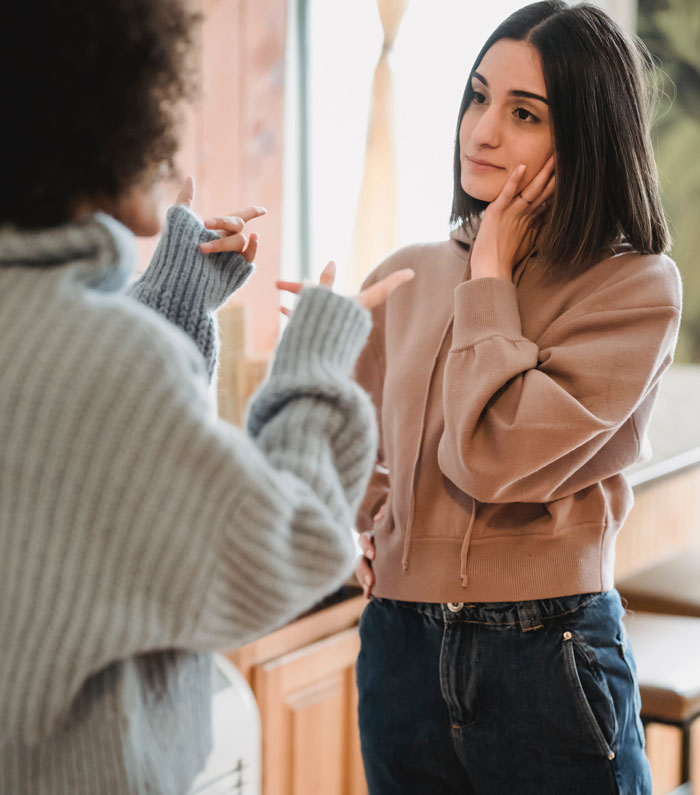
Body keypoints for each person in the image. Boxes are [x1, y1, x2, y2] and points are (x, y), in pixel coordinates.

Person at [0, 1, 413, 793]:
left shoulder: (73, 341)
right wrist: (317, 358)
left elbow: (80, 447)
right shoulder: (110, 360)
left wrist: (177, 297)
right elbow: (289, 545)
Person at [351, 2, 682, 793]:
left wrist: (490, 277)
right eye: (477, 96)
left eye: (523, 112)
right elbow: (353, 440)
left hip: (550, 650)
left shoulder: (635, 289)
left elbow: (492, 457)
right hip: (400, 649)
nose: (482, 130)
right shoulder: (404, 272)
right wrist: (365, 521)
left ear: (586, 135)